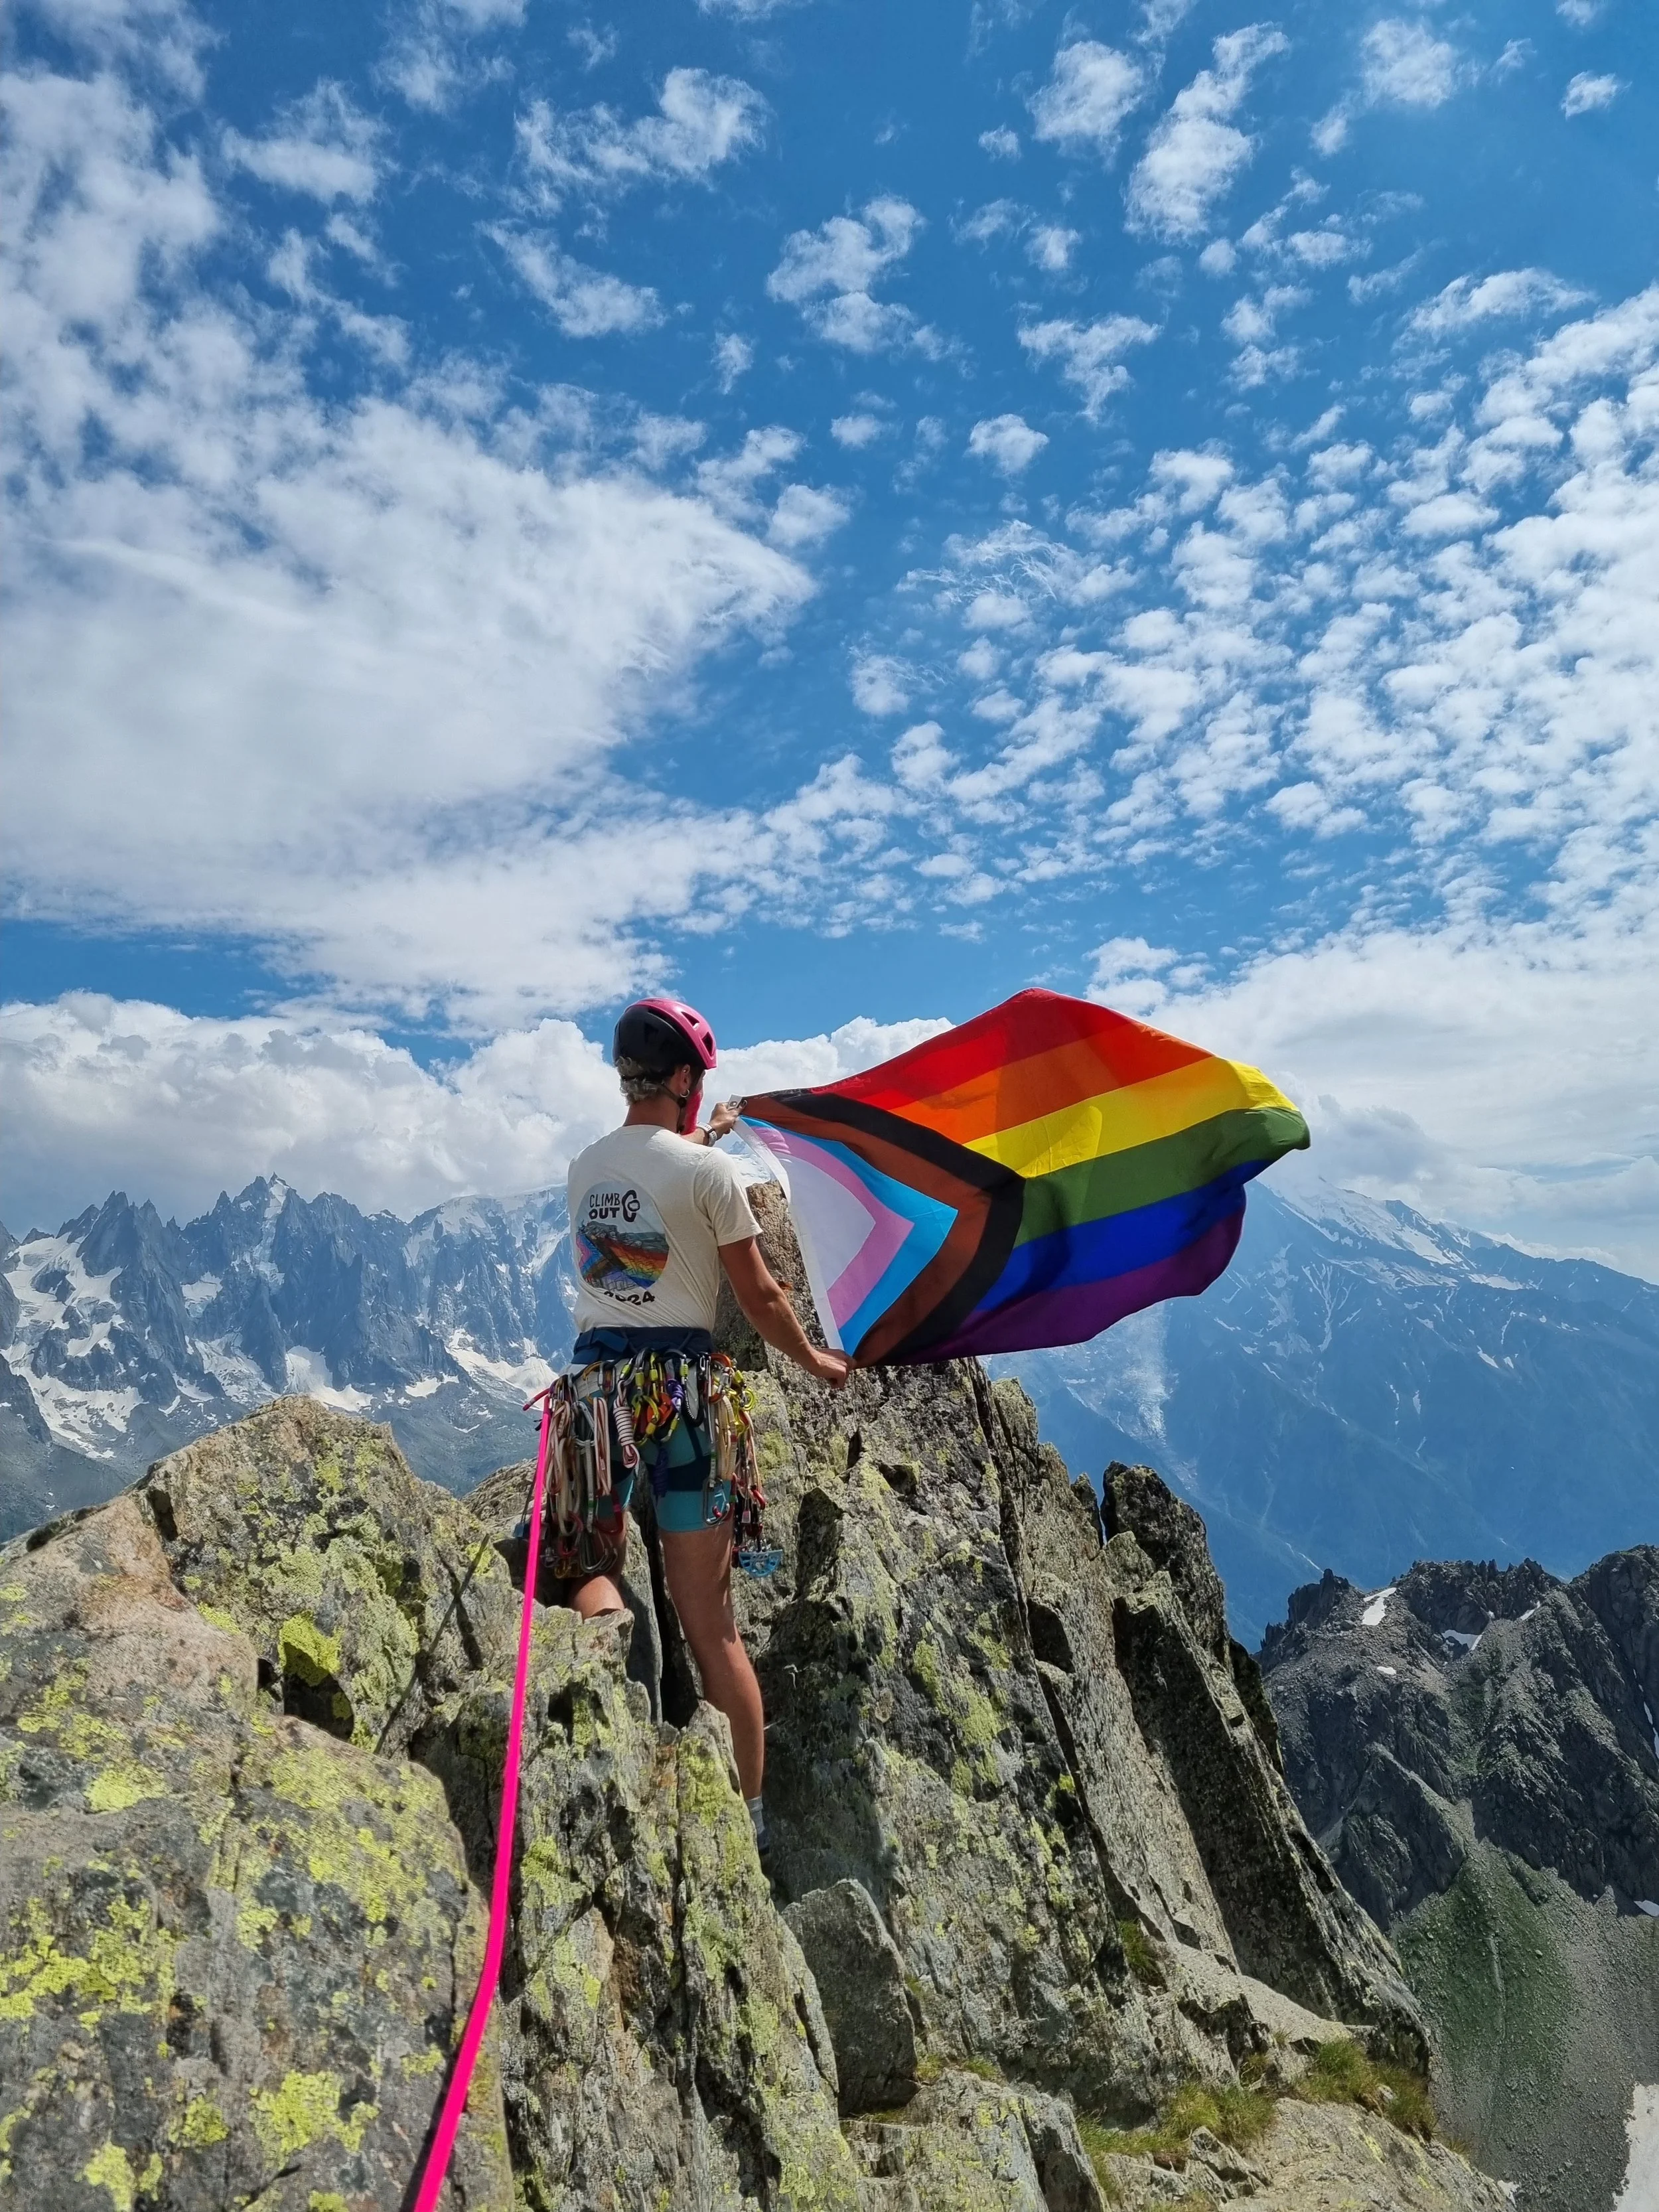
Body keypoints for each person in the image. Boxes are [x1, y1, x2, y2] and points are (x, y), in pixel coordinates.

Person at [561, 995, 849, 1855]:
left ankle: (607, 1722)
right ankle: (747, 1827)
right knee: (712, 1626)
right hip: (684, 1401)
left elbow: (656, 1178)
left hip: (598, 1399)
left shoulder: (585, 1168)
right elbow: (758, 1295)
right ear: (683, 1077)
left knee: (593, 1569)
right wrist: (817, 1361)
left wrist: (709, 1136)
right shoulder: (708, 1178)